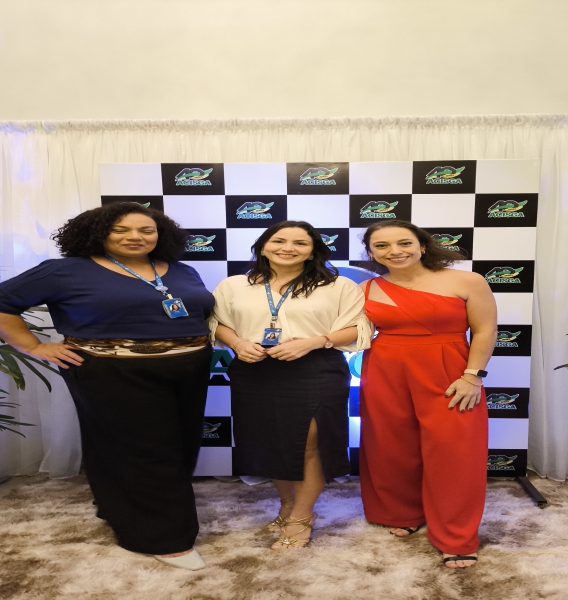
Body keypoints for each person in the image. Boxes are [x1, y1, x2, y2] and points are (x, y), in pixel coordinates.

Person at [0, 202, 214, 571]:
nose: (135, 237)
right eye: (121, 230)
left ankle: (120, 508)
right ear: (98, 233)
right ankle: (164, 539)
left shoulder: (180, 270)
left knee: (178, 446)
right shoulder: (66, 270)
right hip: (114, 372)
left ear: (160, 235)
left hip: (189, 368)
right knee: (148, 452)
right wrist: (33, 346)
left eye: (146, 230)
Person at [210, 221, 371, 550]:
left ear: (313, 250)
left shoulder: (338, 286)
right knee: (271, 442)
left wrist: (314, 341)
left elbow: (360, 328)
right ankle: (287, 505)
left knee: (309, 444)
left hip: (316, 367)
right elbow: (217, 322)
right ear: (263, 246)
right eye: (279, 241)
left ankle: (302, 515)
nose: (288, 248)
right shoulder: (233, 285)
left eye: (300, 242)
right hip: (255, 369)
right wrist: (238, 344)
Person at [358, 219, 497, 569]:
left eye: (404, 243)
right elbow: (350, 332)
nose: (395, 251)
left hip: (450, 371)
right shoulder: (365, 288)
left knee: (456, 454)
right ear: (371, 253)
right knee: (390, 446)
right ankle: (400, 512)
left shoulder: (467, 281)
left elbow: (485, 329)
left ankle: (456, 537)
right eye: (382, 246)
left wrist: (473, 376)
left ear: (422, 245)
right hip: (385, 370)